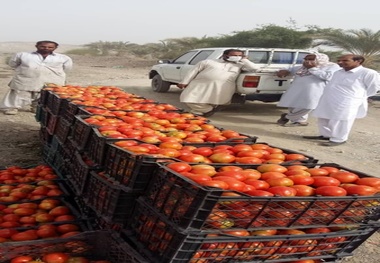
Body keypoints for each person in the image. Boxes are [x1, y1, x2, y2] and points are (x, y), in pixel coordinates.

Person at [304, 54, 380, 146]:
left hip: (347, 100)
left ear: (358, 61)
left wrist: (360, 96)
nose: (340, 62)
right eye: (339, 60)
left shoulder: (368, 73)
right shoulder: (338, 72)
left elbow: (374, 88)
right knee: (323, 117)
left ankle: (339, 139)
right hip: (329, 98)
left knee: (341, 119)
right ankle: (326, 135)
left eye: (345, 61)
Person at [177, 49, 260, 117]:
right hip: (200, 84)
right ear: (225, 55)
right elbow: (192, 71)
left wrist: (244, 60)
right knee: (188, 98)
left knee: (215, 101)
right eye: (234, 55)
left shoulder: (240, 65)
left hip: (223, 86)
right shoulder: (208, 62)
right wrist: (184, 82)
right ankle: (208, 110)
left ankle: (198, 114)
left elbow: (255, 68)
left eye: (239, 56)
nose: (237, 57)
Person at [0, 40, 73, 115]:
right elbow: (13, 64)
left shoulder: (63, 58)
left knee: (44, 94)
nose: (46, 48)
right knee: (19, 93)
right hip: (25, 78)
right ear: (36, 46)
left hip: (52, 79)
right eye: (43, 46)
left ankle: (36, 108)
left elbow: (67, 69)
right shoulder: (22, 55)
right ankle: (12, 108)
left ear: (55, 48)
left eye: (50, 47)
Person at [276, 53, 340, 126]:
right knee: (294, 105)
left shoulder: (332, 66)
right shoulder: (302, 67)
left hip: (314, 90)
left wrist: (312, 68)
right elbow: (289, 68)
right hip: (296, 88)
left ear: (319, 59)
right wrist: (284, 70)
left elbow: (328, 76)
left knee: (309, 106)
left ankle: (287, 117)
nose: (307, 61)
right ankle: (300, 121)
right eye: (305, 59)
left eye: (311, 59)